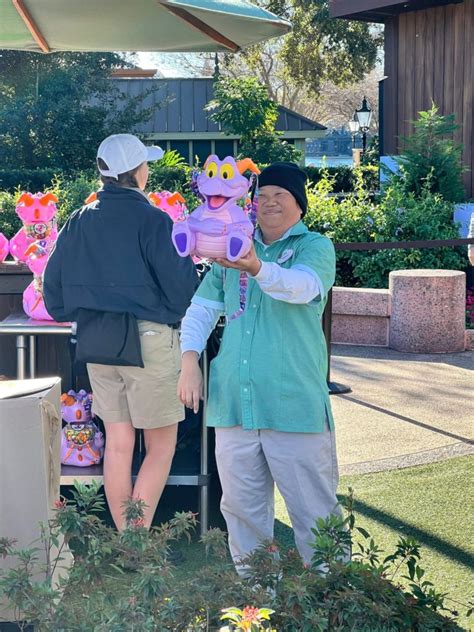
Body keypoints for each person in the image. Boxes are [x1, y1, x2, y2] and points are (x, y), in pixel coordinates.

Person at [177, 161, 342, 572]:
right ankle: (255, 604)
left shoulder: (315, 247)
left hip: (294, 406)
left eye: (279, 196)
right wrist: (188, 362)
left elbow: (301, 288)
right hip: (234, 403)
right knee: (242, 513)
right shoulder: (229, 249)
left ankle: (331, 598)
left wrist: (256, 267)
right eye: (262, 196)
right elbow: (200, 310)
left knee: (315, 515)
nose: (268, 203)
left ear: (299, 205)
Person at [44, 133, 198, 529]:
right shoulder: (154, 220)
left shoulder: (79, 219)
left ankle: (126, 540)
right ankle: (137, 542)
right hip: (149, 342)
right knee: (161, 445)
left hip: (99, 343)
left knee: (117, 444)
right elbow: (183, 291)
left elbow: (54, 294)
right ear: (137, 172)